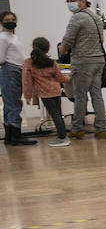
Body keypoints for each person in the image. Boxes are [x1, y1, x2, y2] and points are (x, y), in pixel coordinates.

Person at [58, 0, 106, 139]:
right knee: (97, 95)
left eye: (72, 1)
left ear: (83, 1)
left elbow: (68, 39)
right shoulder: (95, 17)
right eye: (67, 1)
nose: (69, 4)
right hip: (98, 60)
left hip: (82, 61)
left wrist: (63, 49)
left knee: (80, 96)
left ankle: (77, 128)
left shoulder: (77, 18)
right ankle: (100, 128)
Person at [22, 37, 70, 147]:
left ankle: (63, 137)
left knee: (55, 114)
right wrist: (69, 78)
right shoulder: (52, 62)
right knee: (58, 114)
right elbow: (61, 78)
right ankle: (62, 135)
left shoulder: (29, 63)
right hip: (56, 91)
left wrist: (27, 96)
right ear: (47, 49)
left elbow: (26, 81)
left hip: (45, 94)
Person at [0, 11, 33, 145]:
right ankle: (16, 135)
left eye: (13, 19)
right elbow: (1, 58)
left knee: (11, 104)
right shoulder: (3, 38)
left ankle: (10, 136)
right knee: (13, 104)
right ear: (1, 22)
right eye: (7, 19)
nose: (11, 21)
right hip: (10, 71)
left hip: (17, 70)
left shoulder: (13, 36)